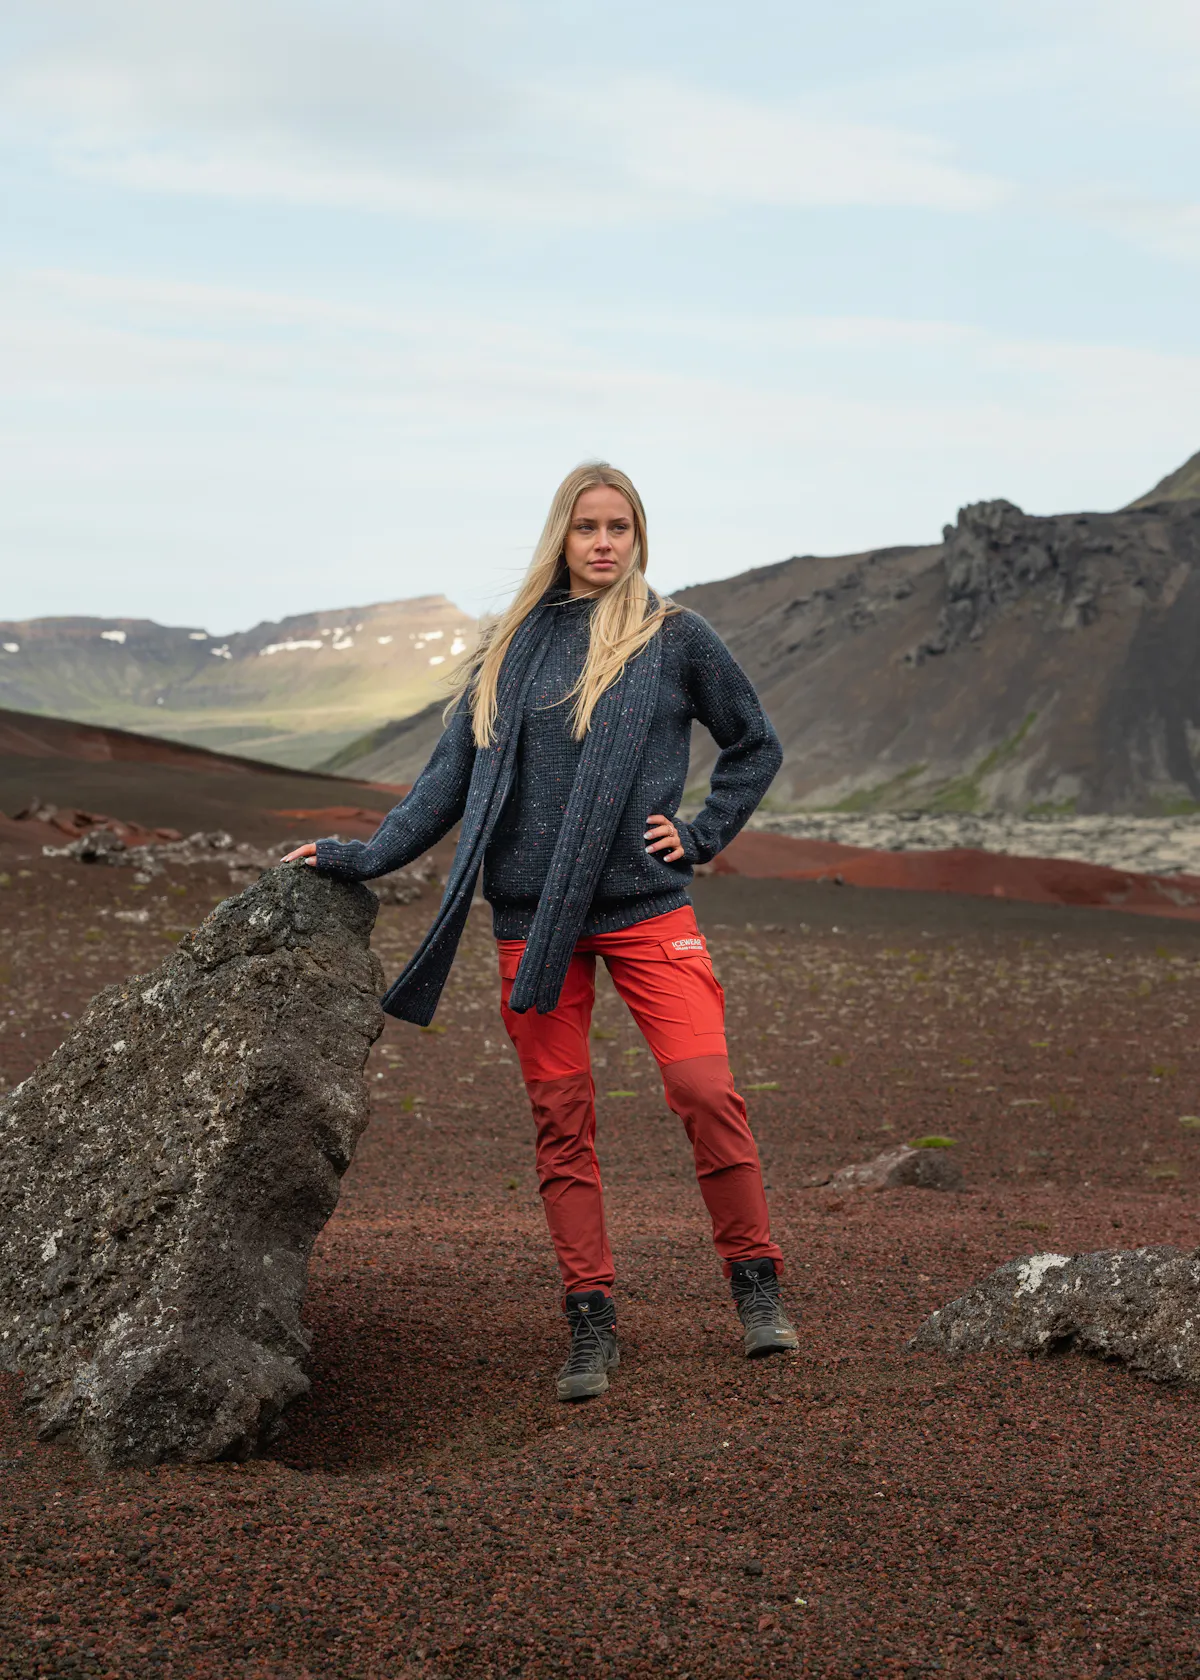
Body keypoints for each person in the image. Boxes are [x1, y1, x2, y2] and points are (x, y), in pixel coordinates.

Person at [284, 462, 797, 1401]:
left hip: (648, 908)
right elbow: (444, 782)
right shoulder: (511, 648)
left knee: (705, 1089)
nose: (604, 543)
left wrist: (699, 834)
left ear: (640, 538)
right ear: (560, 534)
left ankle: (755, 1284)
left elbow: (754, 742)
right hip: (530, 920)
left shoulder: (673, 638)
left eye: (621, 528)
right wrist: (362, 855)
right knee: (562, 1124)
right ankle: (590, 1317)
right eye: (587, 527)